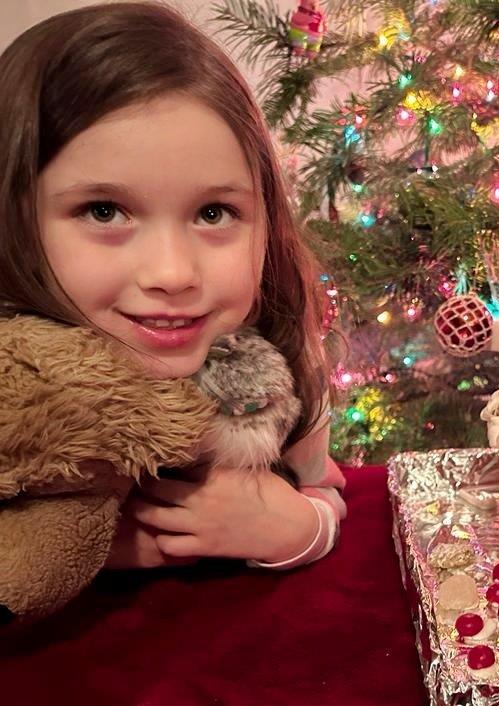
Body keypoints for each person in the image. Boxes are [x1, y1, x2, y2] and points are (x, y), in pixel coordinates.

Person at [0, 2, 345, 572]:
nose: (172, 274)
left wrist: (296, 528)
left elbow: (324, 496)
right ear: (14, 220)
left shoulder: (276, 366)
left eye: (214, 213)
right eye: (105, 210)